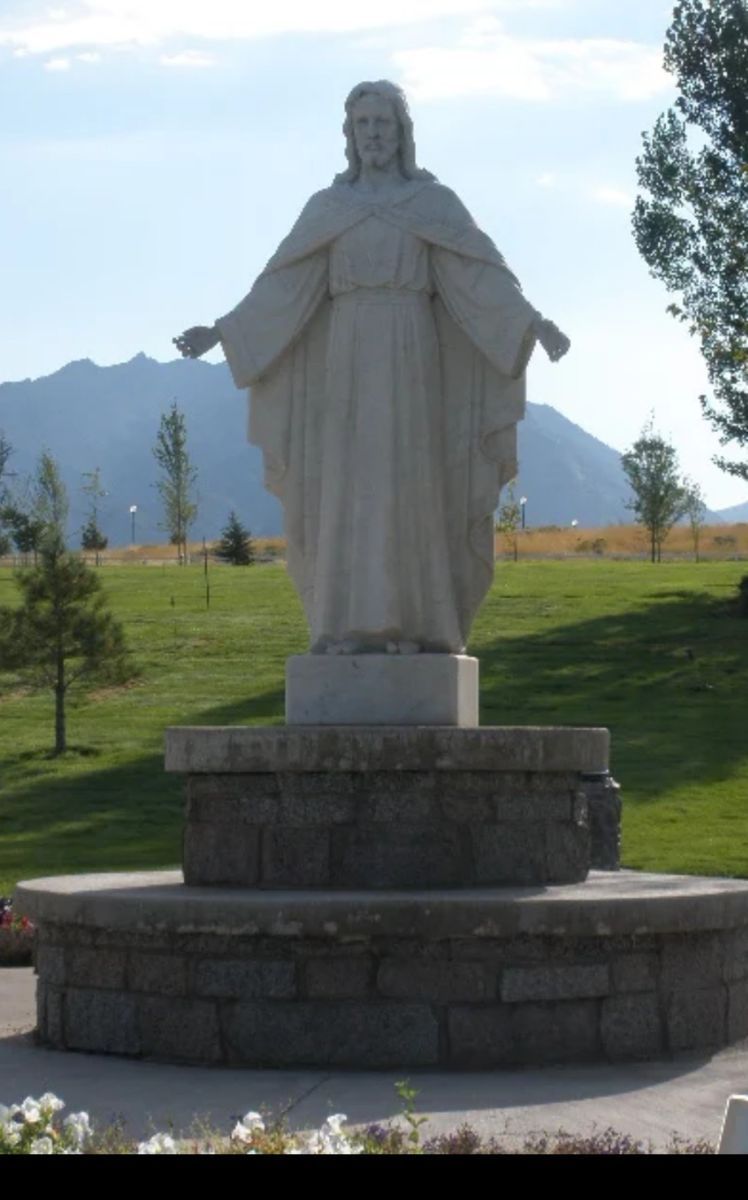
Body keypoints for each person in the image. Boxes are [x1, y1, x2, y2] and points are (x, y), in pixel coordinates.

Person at [175, 80, 570, 655]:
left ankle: (419, 627)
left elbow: (479, 277)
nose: (373, 134)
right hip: (348, 360)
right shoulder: (328, 209)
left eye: (383, 123)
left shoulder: (433, 205)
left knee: (411, 483)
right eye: (363, 124)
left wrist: (532, 323)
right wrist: (222, 332)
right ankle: (343, 627)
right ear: (349, 134)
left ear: (402, 132)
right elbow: (283, 287)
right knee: (348, 486)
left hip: (411, 355)